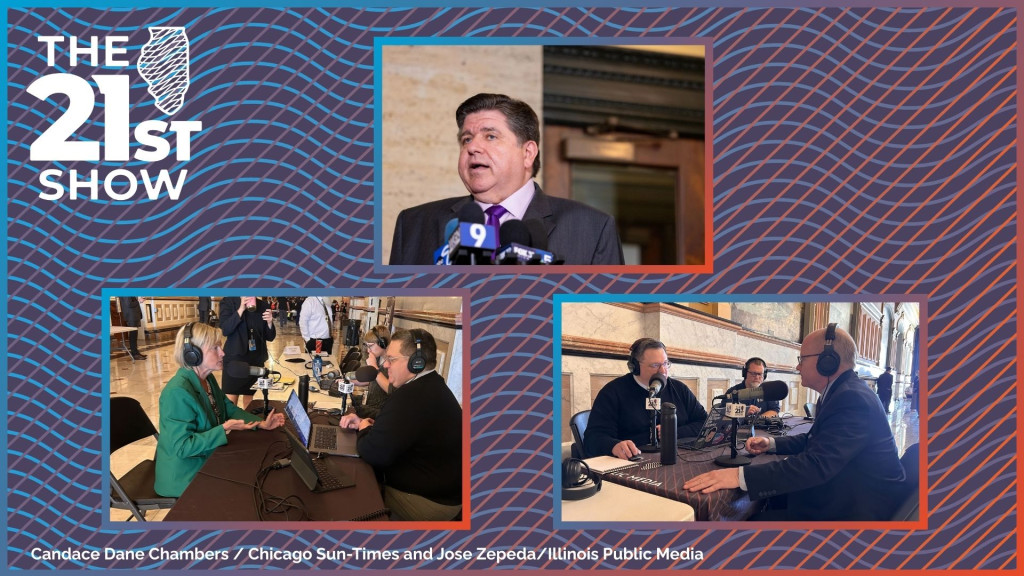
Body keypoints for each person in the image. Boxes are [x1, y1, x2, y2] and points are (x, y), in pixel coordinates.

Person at [683, 324, 908, 521]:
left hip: (857, 509)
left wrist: (739, 476)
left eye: (802, 359)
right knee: (770, 499)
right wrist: (772, 444)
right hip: (846, 490)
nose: (798, 367)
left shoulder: (852, 398)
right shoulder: (841, 392)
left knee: (752, 518)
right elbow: (816, 441)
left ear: (827, 361)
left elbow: (816, 465)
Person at [389, 93, 624, 266]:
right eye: (466, 139)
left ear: (528, 153)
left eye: (490, 136)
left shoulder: (592, 228)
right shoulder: (414, 224)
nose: (472, 147)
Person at [340, 329, 461, 521]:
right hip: (444, 491)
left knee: (356, 488)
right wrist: (369, 424)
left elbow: (372, 452)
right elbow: (403, 429)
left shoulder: (411, 396)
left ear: (416, 362)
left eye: (392, 359)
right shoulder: (431, 385)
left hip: (432, 502)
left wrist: (364, 428)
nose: (385, 365)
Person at [154, 323, 284, 497]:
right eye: (215, 348)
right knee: (247, 484)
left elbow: (227, 408)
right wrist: (223, 429)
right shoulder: (177, 392)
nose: (222, 353)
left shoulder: (207, 379)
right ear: (193, 354)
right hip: (184, 475)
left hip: (207, 458)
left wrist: (261, 424)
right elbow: (182, 447)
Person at [584, 338, 708, 460]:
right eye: (655, 365)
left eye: (665, 363)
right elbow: (593, 438)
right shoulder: (612, 392)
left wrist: (674, 432)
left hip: (678, 457)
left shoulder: (679, 389)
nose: (663, 371)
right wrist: (614, 446)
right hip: (633, 460)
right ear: (635, 367)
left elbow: (704, 422)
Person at [218, 296, 276, 407]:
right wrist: (240, 310)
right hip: (235, 360)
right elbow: (225, 329)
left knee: (251, 401)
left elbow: (270, 337)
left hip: (256, 359)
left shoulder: (263, 305)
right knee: (231, 401)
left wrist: (269, 323)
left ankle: (250, 418)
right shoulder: (229, 302)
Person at [344, 326, 391, 419]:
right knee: (345, 401)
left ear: (383, 343)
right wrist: (348, 381)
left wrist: (374, 367)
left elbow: (391, 390)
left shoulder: (392, 363)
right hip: (369, 401)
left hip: (379, 410)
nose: (368, 350)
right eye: (367, 346)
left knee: (347, 412)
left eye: (371, 346)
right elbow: (370, 381)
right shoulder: (378, 358)